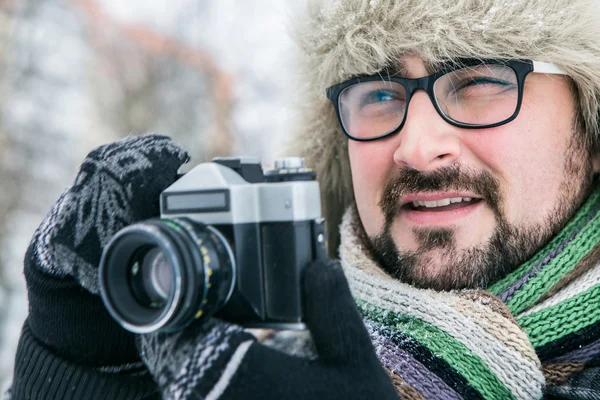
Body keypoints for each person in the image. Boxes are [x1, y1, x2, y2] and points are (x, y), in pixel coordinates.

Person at [6, 0, 600, 399]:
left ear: (591, 128)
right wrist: (72, 370)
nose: (416, 148)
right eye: (380, 94)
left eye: (478, 82)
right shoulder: (242, 371)